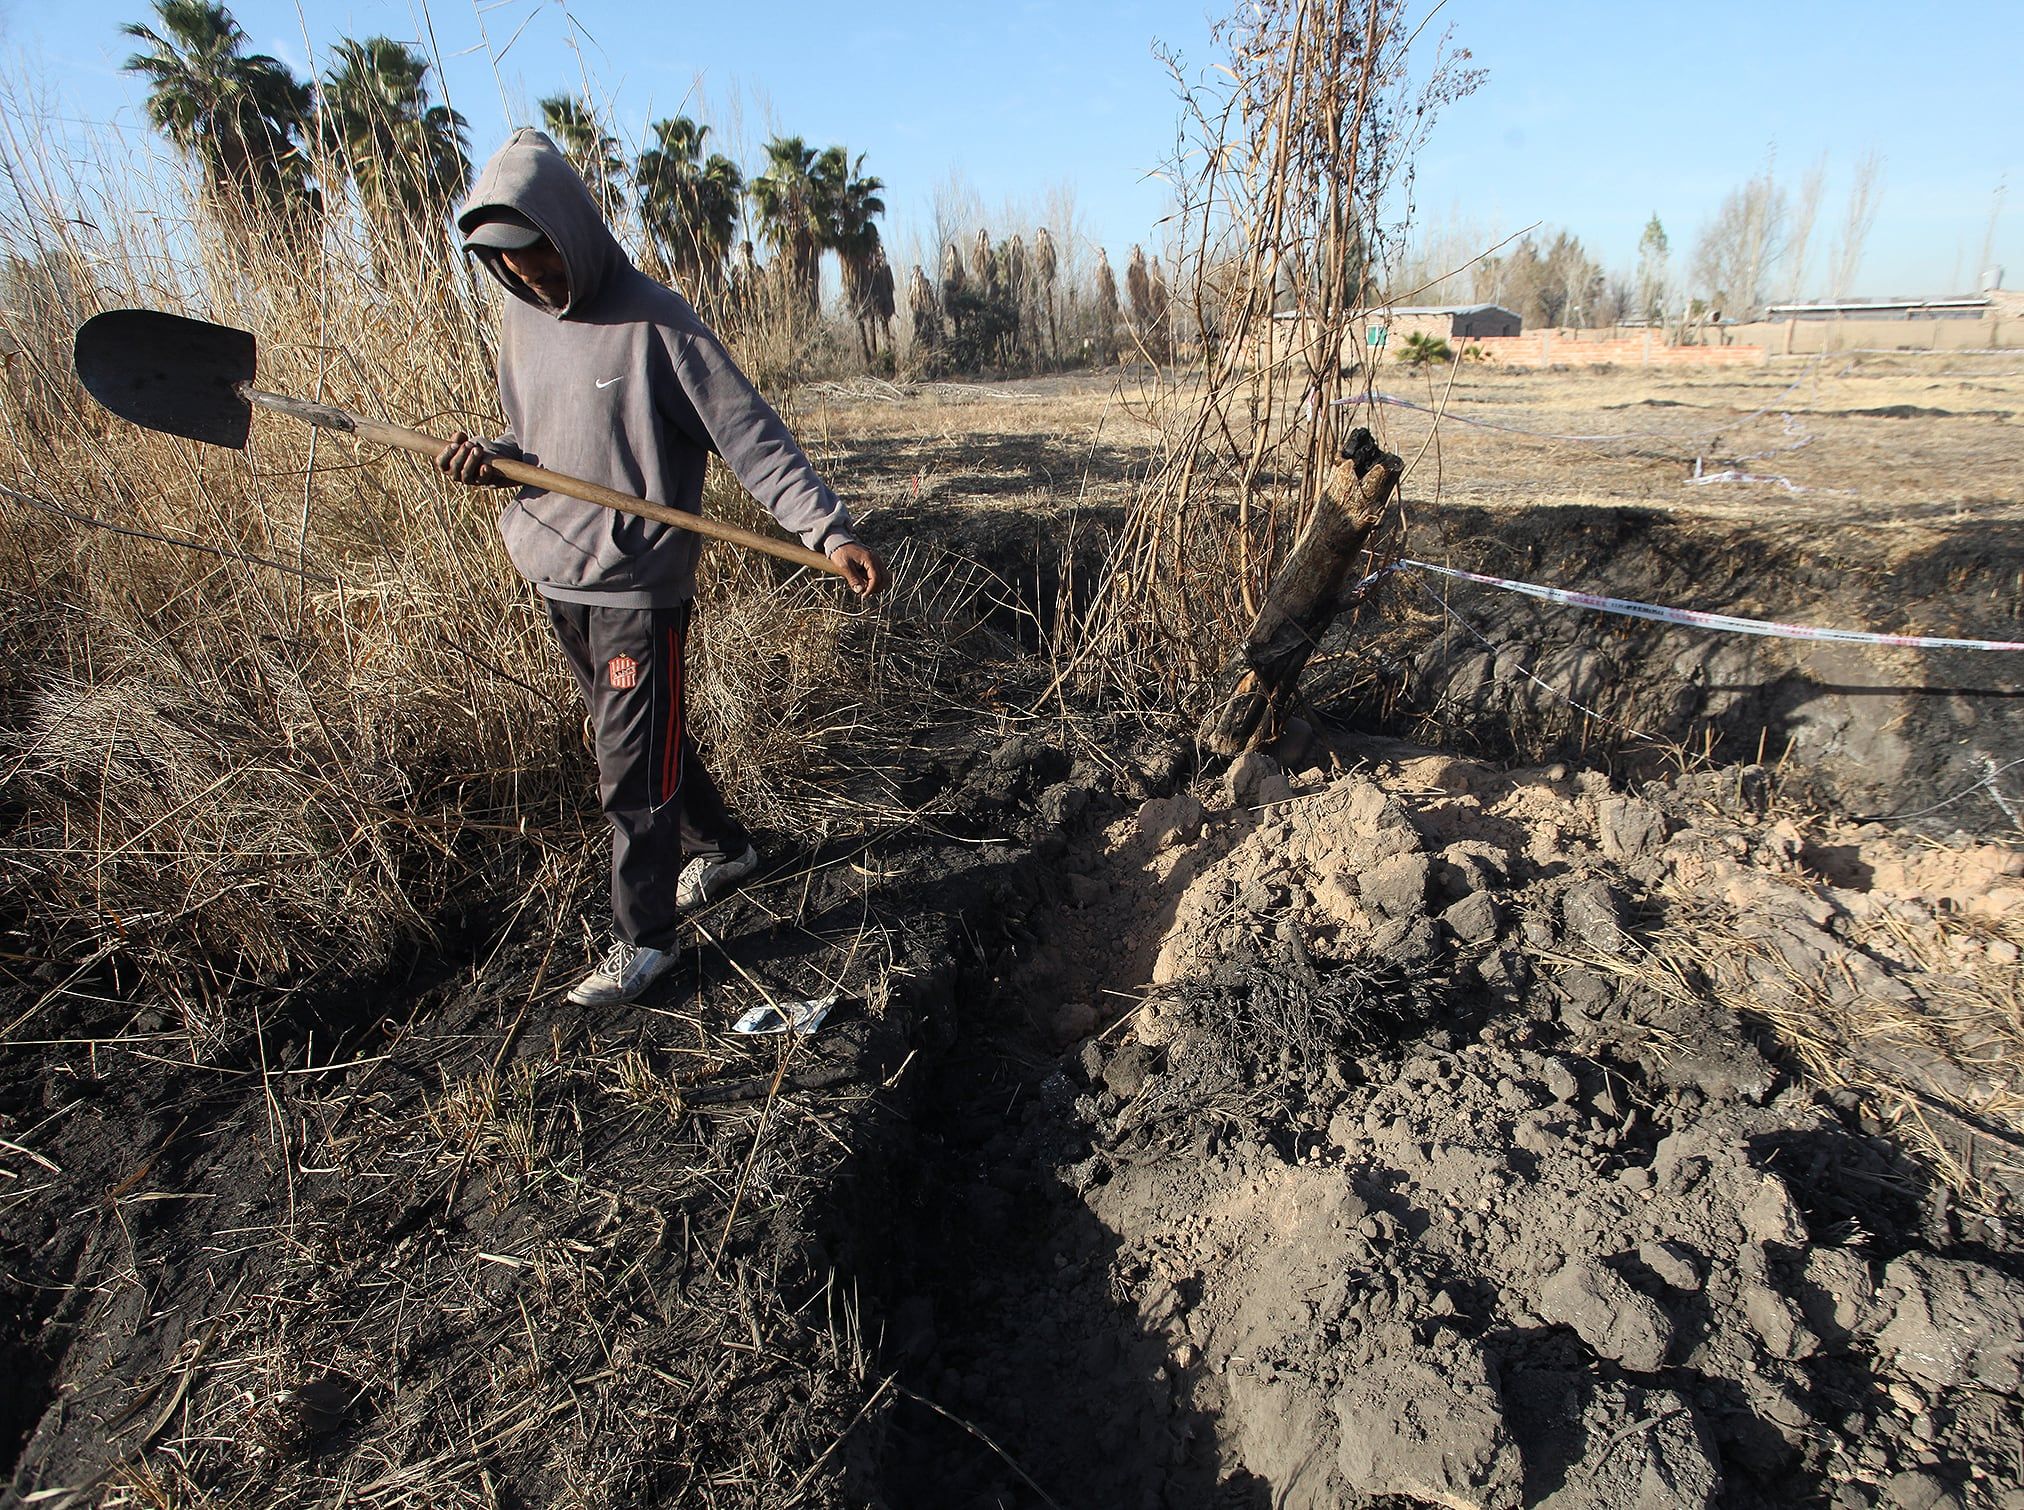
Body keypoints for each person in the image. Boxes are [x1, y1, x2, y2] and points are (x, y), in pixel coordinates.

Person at [436, 128, 886, 1006]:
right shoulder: (520, 320)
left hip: (638, 587)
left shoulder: (659, 324)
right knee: (647, 737)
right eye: (518, 274)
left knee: (629, 763)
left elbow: (752, 439)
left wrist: (828, 531)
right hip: (554, 571)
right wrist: (490, 457)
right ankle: (730, 849)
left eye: (547, 267)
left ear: (573, 234)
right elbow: (540, 440)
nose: (537, 286)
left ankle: (645, 941)